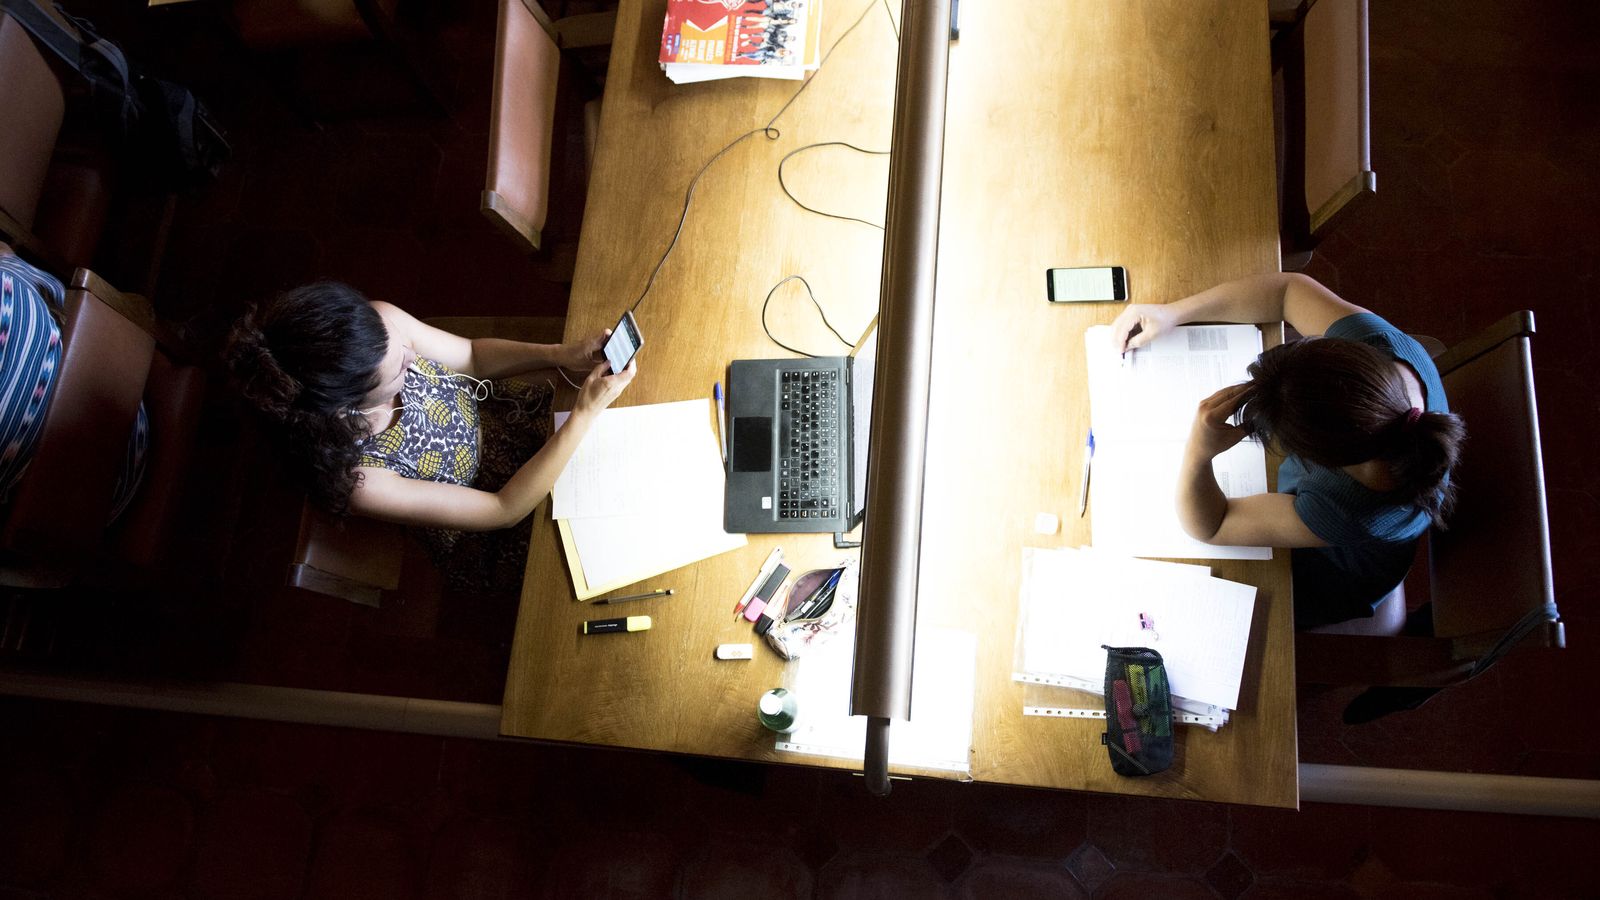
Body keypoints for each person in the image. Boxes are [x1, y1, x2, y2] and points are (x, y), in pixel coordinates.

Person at [224, 281, 635, 592]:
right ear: (347, 404)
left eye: (400, 343)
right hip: (500, 508)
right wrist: (584, 413)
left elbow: (472, 356)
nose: (409, 354)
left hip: (507, 418)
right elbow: (502, 508)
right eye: (399, 371)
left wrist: (559, 354)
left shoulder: (381, 327)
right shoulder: (361, 479)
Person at [1110, 272, 1466, 630]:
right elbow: (1287, 292)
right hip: (1385, 499)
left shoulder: (1346, 509)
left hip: (1341, 568)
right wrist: (1173, 313)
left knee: (1243, 600)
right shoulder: (1377, 349)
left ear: (1318, 462)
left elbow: (1211, 526)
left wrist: (1198, 453)